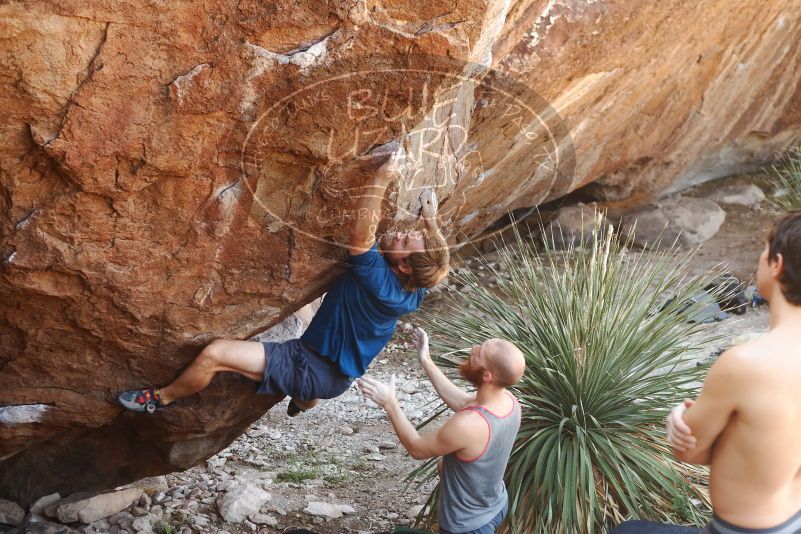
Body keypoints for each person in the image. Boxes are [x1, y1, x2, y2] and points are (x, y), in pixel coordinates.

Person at [118, 151, 450, 415]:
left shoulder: (378, 280)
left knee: (214, 355)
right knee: (307, 391)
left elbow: (361, 235)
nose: (403, 233)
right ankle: (307, 400)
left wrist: (380, 179)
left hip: (308, 364)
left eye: (407, 242)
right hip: (336, 379)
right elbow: (433, 263)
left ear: (404, 266)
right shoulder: (414, 292)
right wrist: (430, 223)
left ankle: (158, 399)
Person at [666, 212, 801, 534]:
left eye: (763, 252)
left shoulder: (745, 364)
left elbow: (689, 450)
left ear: (777, 265)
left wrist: (677, 420)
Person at [358, 327, 525, 534]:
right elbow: (463, 402)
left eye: (479, 352)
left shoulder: (469, 425)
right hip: (496, 505)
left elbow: (417, 448)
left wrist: (390, 403)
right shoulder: (509, 402)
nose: (473, 349)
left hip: (468, 526)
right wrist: (425, 359)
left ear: (487, 375)